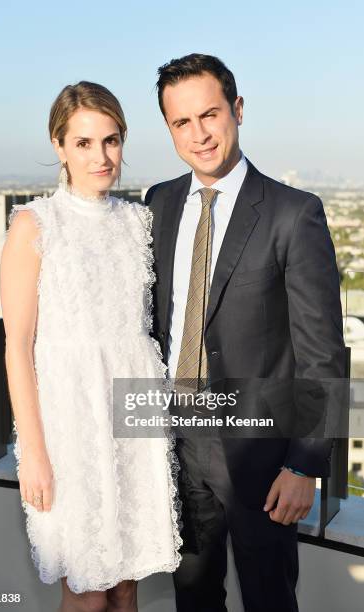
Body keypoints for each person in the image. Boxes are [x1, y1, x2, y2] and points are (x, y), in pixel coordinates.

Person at [144, 54, 346, 612]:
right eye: (182, 122)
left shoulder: (292, 212)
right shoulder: (158, 203)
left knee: (268, 598)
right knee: (192, 595)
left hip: (260, 452)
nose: (199, 134)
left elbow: (322, 353)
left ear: (237, 109)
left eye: (209, 114)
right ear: (169, 129)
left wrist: (305, 464)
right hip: (175, 443)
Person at [0, 81, 182, 612]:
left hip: (135, 419)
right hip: (70, 427)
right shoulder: (35, 225)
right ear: (59, 146)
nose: (101, 157)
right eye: (83, 143)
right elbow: (17, 347)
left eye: (111, 140)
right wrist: (33, 452)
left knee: (127, 586)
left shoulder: (137, 223)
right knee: (87, 591)